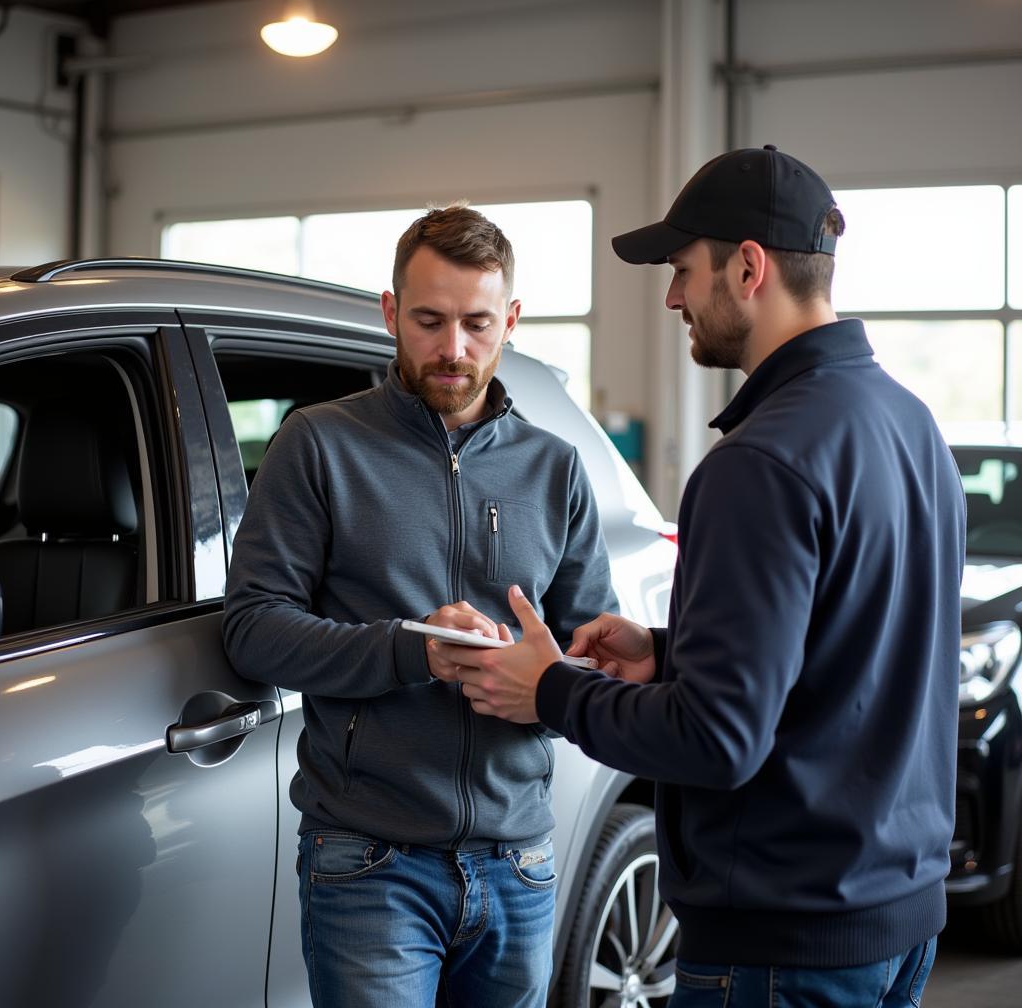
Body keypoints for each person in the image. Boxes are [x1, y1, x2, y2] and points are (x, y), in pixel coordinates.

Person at [451, 146, 966, 1007]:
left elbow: (717, 742)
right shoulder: (910, 425)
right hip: (899, 917)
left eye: (684, 270)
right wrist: (669, 648)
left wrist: (550, 691)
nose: (673, 297)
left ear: (750, 267)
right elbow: (854, 645)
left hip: (783, 946)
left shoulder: (759, 463)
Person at [222, 204, 616, 1008]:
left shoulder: (556, 468)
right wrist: (416, 647)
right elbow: (253, 629)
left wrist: (540, 682)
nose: (453, 349)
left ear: (510, 319)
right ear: (391, 311)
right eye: (430, 321)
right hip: (369, 858)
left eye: (477, 323)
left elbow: (594, 655)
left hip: (520, 862)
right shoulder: (318, 444)